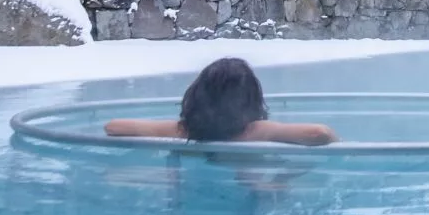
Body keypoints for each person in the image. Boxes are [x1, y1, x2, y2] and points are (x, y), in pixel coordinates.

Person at [104, 57, 337, 145]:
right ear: (250, 99)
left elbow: (113, 127)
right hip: (249, 189)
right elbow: (320, 132)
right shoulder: (256, 131)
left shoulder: (184, 131)